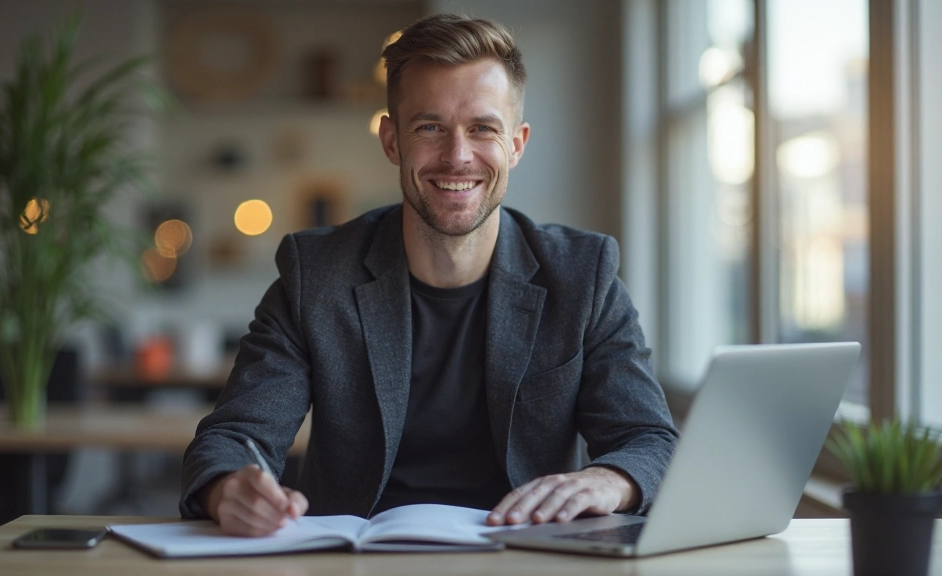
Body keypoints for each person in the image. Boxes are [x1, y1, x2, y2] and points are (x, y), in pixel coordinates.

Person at [180, 13, 678, 537]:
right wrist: (229, 488)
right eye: (430, 128)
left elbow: (651, 441)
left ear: (516, 144)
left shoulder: (582, 274)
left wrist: (609, 480)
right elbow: (231, 438)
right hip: (353, 561)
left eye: (482, 128)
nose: (457, 156)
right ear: (392, 141)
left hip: (528, 557)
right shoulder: (316, 274)